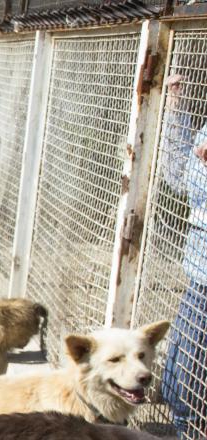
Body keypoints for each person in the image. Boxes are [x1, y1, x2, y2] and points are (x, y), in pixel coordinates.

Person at [160, 73, 207, 438]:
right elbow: (178, 174)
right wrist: (176, 112)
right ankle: (184, 421)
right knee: (184, 348)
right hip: (200, 265)